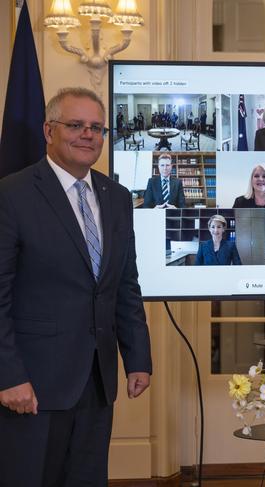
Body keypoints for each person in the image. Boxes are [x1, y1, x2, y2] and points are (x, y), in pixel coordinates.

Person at [0, 87, 152, 486]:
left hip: (97, 381)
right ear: (49, 131)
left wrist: (137, 357)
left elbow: (125, 284)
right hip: (32, 383)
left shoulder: (117, 198)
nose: (88, 135)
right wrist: (7, 374)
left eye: (97, 128)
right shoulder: (11, 194)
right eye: (76, 125)